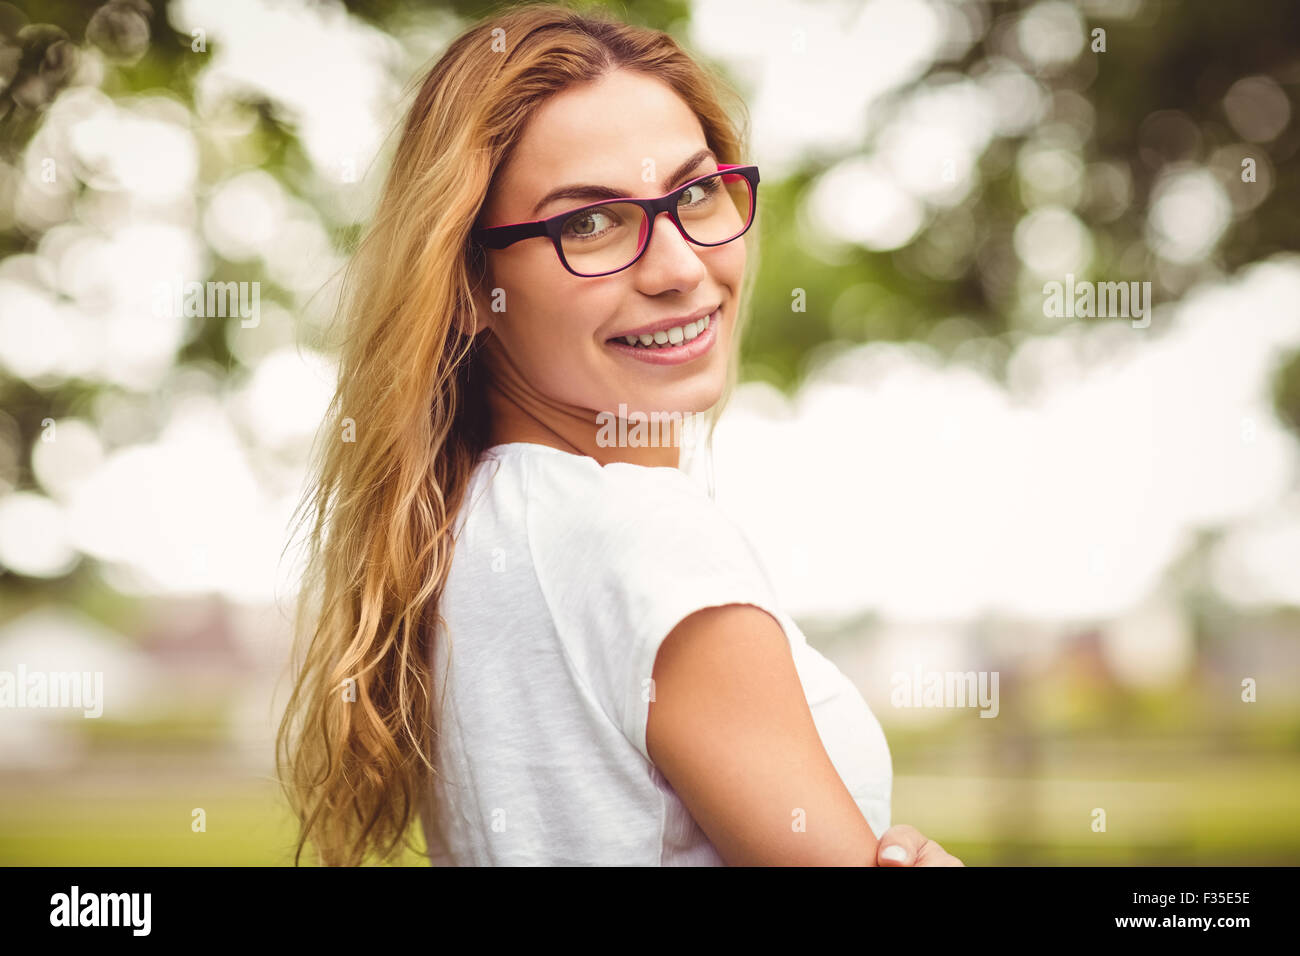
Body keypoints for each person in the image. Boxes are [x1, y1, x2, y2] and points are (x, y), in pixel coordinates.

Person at [277, 1, 963, 868]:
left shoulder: (467, 532)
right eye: (587, 224)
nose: (679, 268)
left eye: (696, 191)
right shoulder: (648, 543)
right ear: (465, 286)